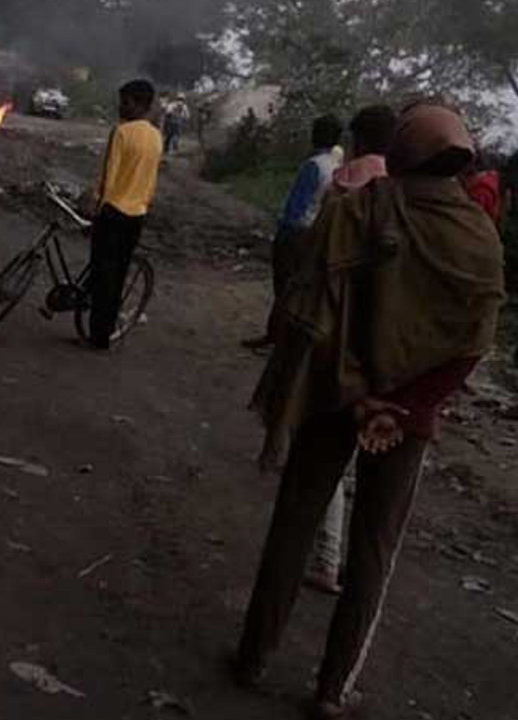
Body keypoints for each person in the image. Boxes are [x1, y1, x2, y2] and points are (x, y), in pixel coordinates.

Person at [234, 104, 507, 720]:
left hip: (334, 397)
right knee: (373, 551)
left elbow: (311, 311)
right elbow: (473, 342)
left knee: (293, 527)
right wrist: (402, 406)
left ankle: (252, 658)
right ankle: (332, 691)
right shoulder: (479, 238)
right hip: (406, 420)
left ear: (403, 153)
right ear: (460, 158)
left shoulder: (352, 212)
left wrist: (359, 394)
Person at [304, 104, 399, 597]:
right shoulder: (407, 196)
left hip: (338, 337)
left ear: (358, 139)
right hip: (393, 351)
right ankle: (349, 569)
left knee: (325, 455)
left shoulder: (345, 183)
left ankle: (323, 556)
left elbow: (317, 254)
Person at [242, 115, 345, 350]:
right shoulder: (336, 166)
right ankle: (282, 337)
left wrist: (282, 230)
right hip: (315, 231)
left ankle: (276, 337)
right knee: (298, 287)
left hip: (295, 232)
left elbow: (295, 207)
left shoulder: (313, 165)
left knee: (284, 286)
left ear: (314, 135)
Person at [78, 79, 163, 351]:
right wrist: (145, 204)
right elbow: (151, 180)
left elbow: (110, 177)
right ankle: (102, 327)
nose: (121, 106)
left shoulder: (122, 132)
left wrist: (95, 210)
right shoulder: (156, 137)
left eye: (126, 101)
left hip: (113, 211)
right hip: (137, 215)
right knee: (118, 272)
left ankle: (98, 336)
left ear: (140, 105)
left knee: (104, 275)